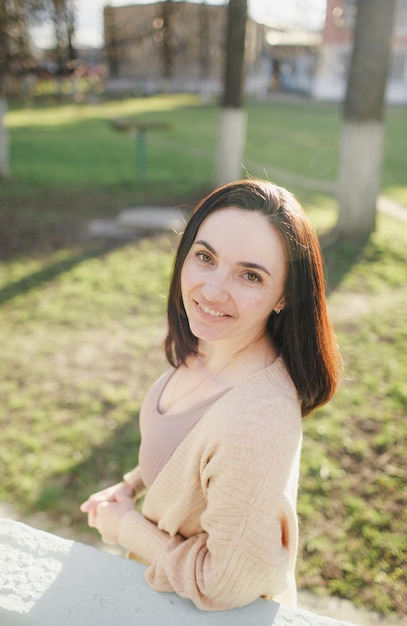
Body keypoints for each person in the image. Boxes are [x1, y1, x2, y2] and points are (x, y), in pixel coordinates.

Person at [80, 178, 340, 611]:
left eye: (250, 275)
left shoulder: (256, 421)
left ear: (285, 297)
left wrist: (126, 527)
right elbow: (185, 448)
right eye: (205, 257)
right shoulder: (209, 345)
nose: (213, 290)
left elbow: (226, 582)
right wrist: (128, 487)